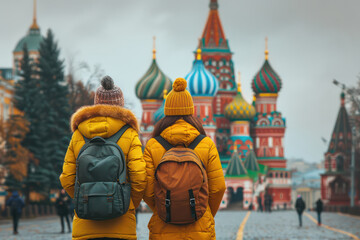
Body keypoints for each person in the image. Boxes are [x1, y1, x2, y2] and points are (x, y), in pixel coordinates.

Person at [60, 76, 147, 240]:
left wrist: (85, 198)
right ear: (120, 104)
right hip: (121, 225)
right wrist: (126, 203)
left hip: (85, 225)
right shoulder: (129, 134)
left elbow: (67, 178)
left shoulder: (79, 134)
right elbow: (140, 178)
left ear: (96, 103)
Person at [143, 78, 226, 239]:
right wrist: (202, 211)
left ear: (167, 111)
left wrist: (165, 208)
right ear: (191, 110)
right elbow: (218, 188)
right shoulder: (206, 143)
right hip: (200, 229)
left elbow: (146, 190)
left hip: (163, 229)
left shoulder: (153, 145)